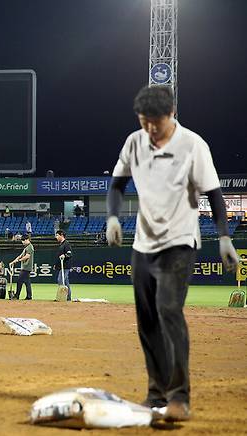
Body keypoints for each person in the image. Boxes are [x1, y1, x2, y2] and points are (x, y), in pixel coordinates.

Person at [106, 85, 240, 422]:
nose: (150, 128)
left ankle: (179, 397)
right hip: (142, 244)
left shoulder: (193, 145)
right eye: (144, 121)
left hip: (180, 242)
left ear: (172, 115)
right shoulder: (134, 142)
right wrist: (111, 217)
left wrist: (224, 237)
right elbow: (117, 184)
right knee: (147, 320)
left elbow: (214, 194)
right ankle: (156, 393)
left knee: (169, 311)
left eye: (156, 122)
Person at [9, 235, 34, 300]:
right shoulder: (26, 247)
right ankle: (29, 296)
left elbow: (27, 256)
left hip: (26, 267)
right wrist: (13, 261)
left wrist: (18, 260)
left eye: (23, 241)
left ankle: (17, 296)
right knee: (27, 282)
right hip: (26, 267)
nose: (22, 242)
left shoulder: (29, 247)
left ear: (27, 239)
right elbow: (20, 256)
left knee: (19, 281)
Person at [54, 230, 72, 301]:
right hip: (61, 266)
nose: (56, 237)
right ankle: (68, 298)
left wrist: (64, 255)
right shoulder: (61, 244)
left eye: (57, 235)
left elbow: (69, 254)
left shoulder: (66, 244)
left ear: (61, 235)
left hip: (65, 266)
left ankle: (62, 297)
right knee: (66, 282)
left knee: (60, 280)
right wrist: (56, 265)